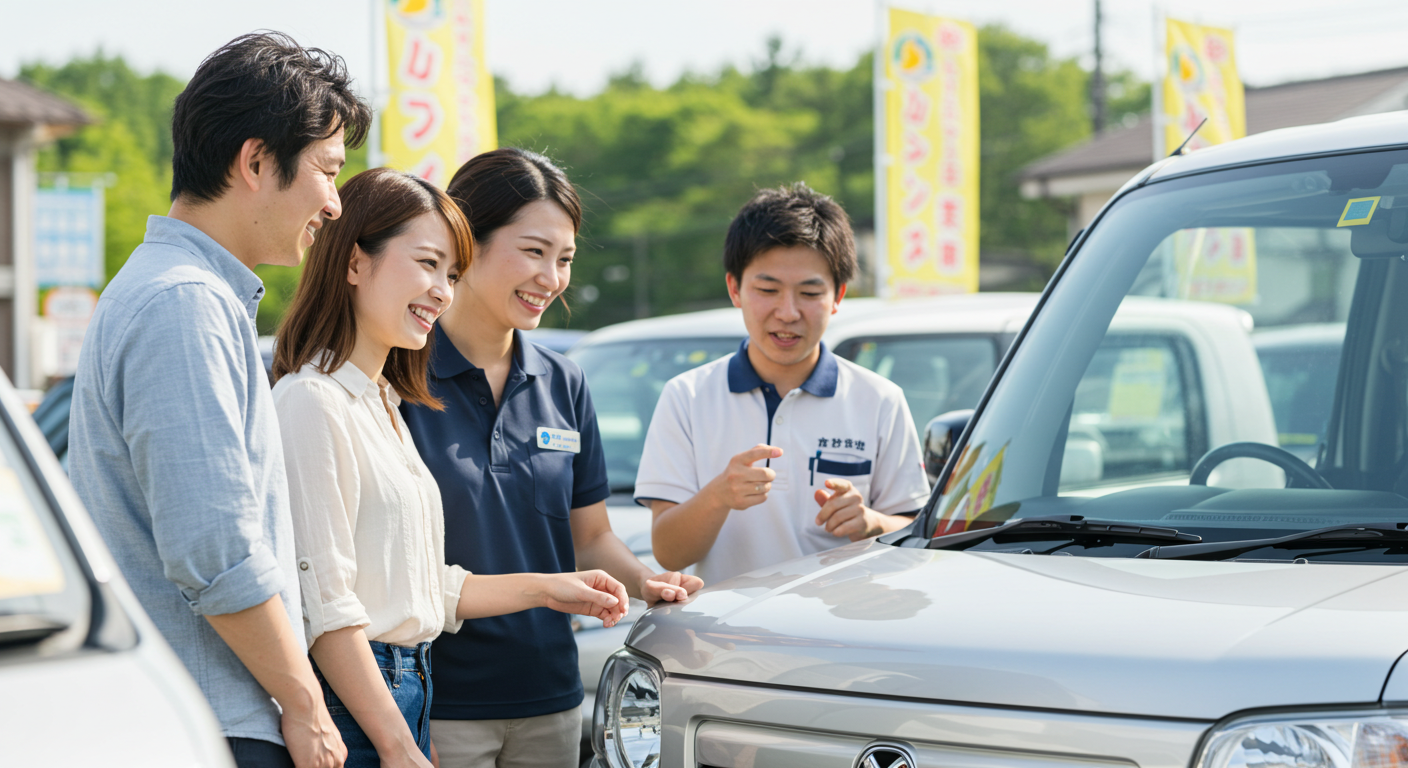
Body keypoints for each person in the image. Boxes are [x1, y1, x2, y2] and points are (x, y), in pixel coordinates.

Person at [68, 32, 367, 768]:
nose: (333, 203)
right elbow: (216, 550)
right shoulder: (184, 304)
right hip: (210, 721)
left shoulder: (177, 291)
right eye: (327, 171)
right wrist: (305, 706)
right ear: (257, 161)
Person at [271, 167, 629, 768]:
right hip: (363, 704)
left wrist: (549, 588)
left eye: (451, 273)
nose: (442, 290)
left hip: (414, 686)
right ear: (355, 263)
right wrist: (395, 741)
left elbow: (418, 587)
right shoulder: (312, 400)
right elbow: (326, 607)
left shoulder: (383, 402)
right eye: (427, 264)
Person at [399, 147, 702, 767]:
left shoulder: (564, 382)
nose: (552, 278)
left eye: (563, 259)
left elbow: (589, 538)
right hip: (434, 703)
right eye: (534, 251)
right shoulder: (398, 373)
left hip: (552, 699)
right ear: (466, 240)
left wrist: (648, 584)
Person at [639, 183, 931, 585]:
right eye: (767, 290)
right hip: (722, 637)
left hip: (841, 635)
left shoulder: (880, 399)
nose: (788, 312)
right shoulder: (687, 396)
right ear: (734, 289)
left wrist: (870, 521)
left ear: (837, 296)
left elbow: (917, 536)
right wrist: (719, 496)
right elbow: (669, 552)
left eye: (809, 292)